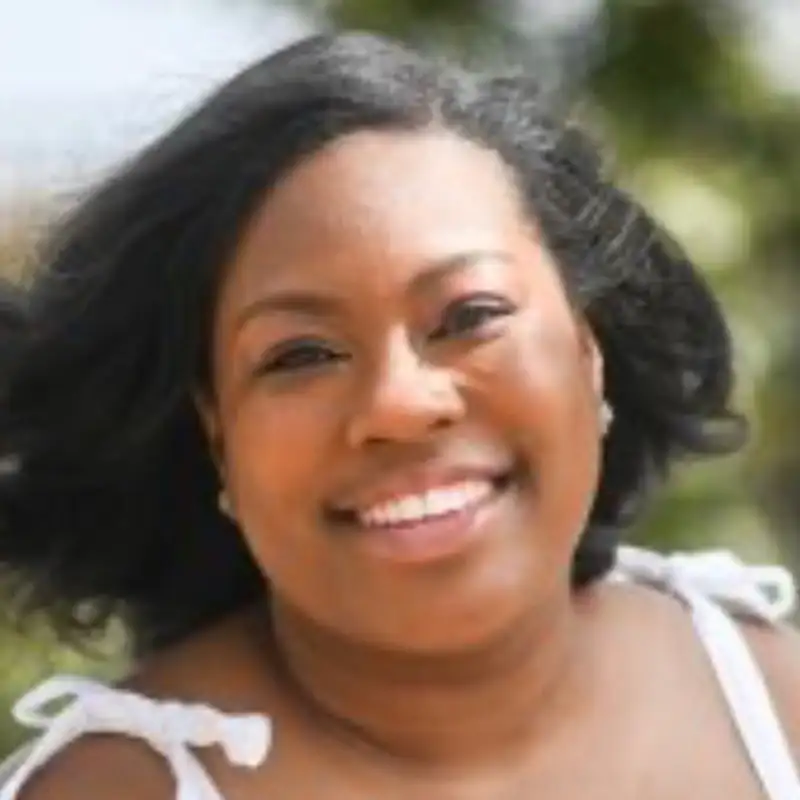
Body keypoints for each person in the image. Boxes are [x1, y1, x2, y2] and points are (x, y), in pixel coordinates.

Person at [0, 30, 798, 800]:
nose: (399, 405)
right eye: (301, 355)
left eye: (470, 315)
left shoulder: (768, 699)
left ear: (589, 347)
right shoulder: (115, 789)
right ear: (218, 436)